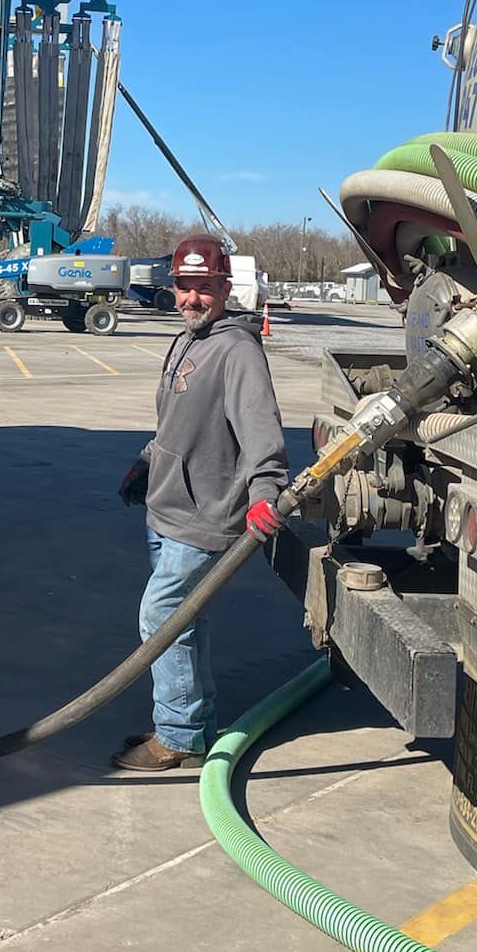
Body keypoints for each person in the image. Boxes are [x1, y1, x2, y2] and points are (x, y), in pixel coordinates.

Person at [113, 235, 288, 771]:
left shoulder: (237, 351)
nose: (193, 298)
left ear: (224, 288)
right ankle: (188, 719)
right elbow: (175, 423)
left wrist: (264, 493)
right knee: (183, 624)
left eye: (205, 288)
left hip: (205, 515)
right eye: (185, 287)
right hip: (166, 508)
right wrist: (148, 461)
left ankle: (180, 737)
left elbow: (263, 435)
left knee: (162, 616)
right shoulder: (187, 339)